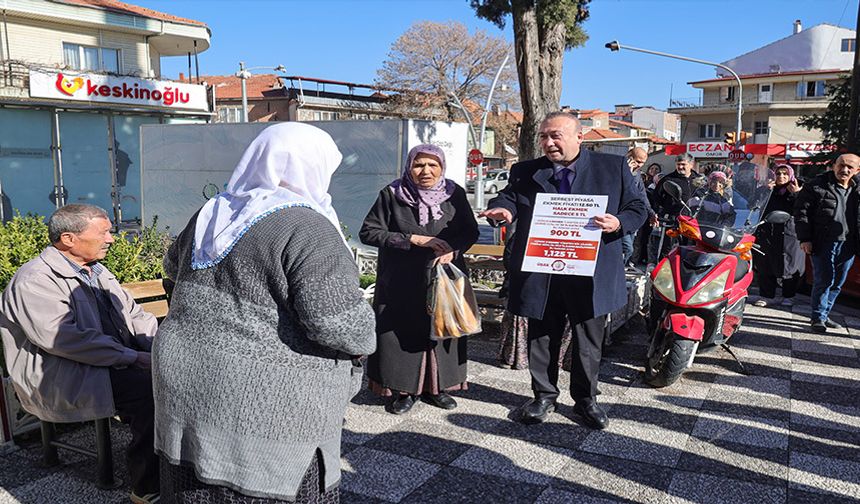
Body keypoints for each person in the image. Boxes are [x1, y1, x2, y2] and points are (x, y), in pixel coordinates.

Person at [153, 122, 376, 503]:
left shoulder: (212, 212)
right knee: (269, 487)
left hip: (184, 374)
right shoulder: (307, 226)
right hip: (263, 397)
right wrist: (366, 333)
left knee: (194, 486)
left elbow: (173, 273)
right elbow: (337, 323)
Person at [479, 112, 646, 430]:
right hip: (543, 269)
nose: (548, 142)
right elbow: (510, 197)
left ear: (579, 137)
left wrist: (619, 222)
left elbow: (637, 207)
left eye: (555, 135)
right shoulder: (526, 170)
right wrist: (503, 209)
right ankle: (543, 395)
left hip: (590, 270)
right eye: (544, 136)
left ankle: (585, 400)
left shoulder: (611, 167)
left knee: (588, 340)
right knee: (541, 337)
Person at [0, 204, 159, 504]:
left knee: (177, 379)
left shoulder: (98, 272)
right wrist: (133, 357)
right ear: (69, 239)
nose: (112, 238)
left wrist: (162, 347)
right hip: (62, 373)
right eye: (104, 232)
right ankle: (146, 487)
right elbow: (66, 340)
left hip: (107, 361)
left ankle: (175, 466)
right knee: (148, 393)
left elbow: (136, 316)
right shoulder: (35, 279)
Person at [359, 144, 479, 415]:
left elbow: (469, 231)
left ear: (442, 167)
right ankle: (403, 391)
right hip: (401, 280)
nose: (425, 171)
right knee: (400, 335)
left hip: (444, 278)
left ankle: (438, 388)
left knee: (443, 330)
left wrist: (453, 249)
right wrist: (409, 239)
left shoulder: (454, 193)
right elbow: (369, 232)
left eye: (432, 165)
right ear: (409, 166)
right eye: (419, 165)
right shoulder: (392, 194)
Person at [795, 153, 860, 333]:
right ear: (834, 165)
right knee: (824, 280)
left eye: (850, 167)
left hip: (849, 243)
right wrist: (805, 238)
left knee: (838, 282)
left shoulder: (858, 189)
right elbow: (801, 213)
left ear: (857, 171)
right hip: (823, 241)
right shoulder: (816, 185)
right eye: (841, 165)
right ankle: (818, 317)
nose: (844, 170)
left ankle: (824, 314)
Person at [753, 164, 804, 307]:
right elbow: (755, 206)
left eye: (785, 174)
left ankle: (789, 295)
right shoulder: (767, 190)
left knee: (789, 264)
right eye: (778, 174)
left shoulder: (798, 189)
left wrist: (796, 194)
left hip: (789, 233)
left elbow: (804, 209)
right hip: (768, 231)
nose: (781, 177)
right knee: (765, 263)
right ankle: (766, 295)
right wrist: (765, 191)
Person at [649, 154, 706, 262]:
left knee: (693, 249)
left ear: (691, 164)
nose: (680, 167)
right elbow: (656, 198)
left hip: (693, 220)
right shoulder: (668, 179)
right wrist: (664, 209)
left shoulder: (700, 180)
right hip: (673, 220)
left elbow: (706, 197)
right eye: (678, 164)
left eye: (683, 164)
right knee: (668, 248)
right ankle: (664, 271)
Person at [622, 147, 654, 266]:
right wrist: (627, 172)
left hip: (631, 216)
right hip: (618, 215)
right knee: (627, 248)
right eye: (637, 161)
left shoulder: (637, 174)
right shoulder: (619, 169)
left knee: (629, 248)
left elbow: (642, 195)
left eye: (642, 163)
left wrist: (650, 212)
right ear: (629, 156)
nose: (639, 165)